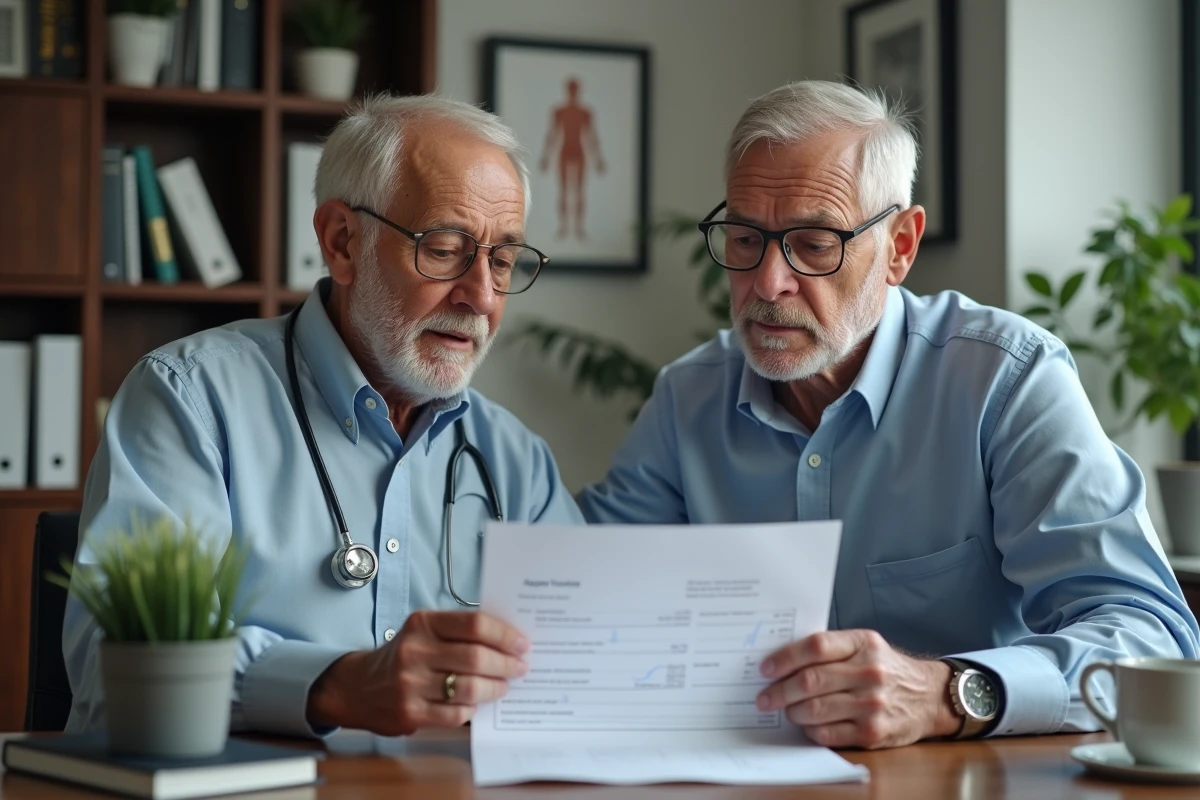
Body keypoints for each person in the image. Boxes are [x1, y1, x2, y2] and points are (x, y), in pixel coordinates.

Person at [577, 80, 1200, 749]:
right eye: (744, 237)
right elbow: (584, 596)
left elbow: (1145, 633)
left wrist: (947, 692)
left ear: (900, 246)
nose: (767, 282)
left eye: (814, 243)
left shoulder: (1006, 380)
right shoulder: (687, 400)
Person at [64, 94, 584, 739]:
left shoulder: (515, 459)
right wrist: (333, 686)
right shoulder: (191, 400)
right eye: (446, 249)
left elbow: (585, 669)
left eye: (502, 261)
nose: (481, 295)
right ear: (343, 242)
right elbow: (115, 675)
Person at [539, 77, 606, 239]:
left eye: (575, 88)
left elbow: (592, 136)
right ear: (567, 90)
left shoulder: (585, 112)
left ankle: (579, 227)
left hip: (579, 152)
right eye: (571, 88)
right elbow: (552, 134)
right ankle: (563, 226)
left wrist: (598, 158)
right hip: (564, 151)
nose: (573, 91)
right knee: (563, 191)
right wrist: (546, 156)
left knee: (579, 191)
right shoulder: (559, 111)